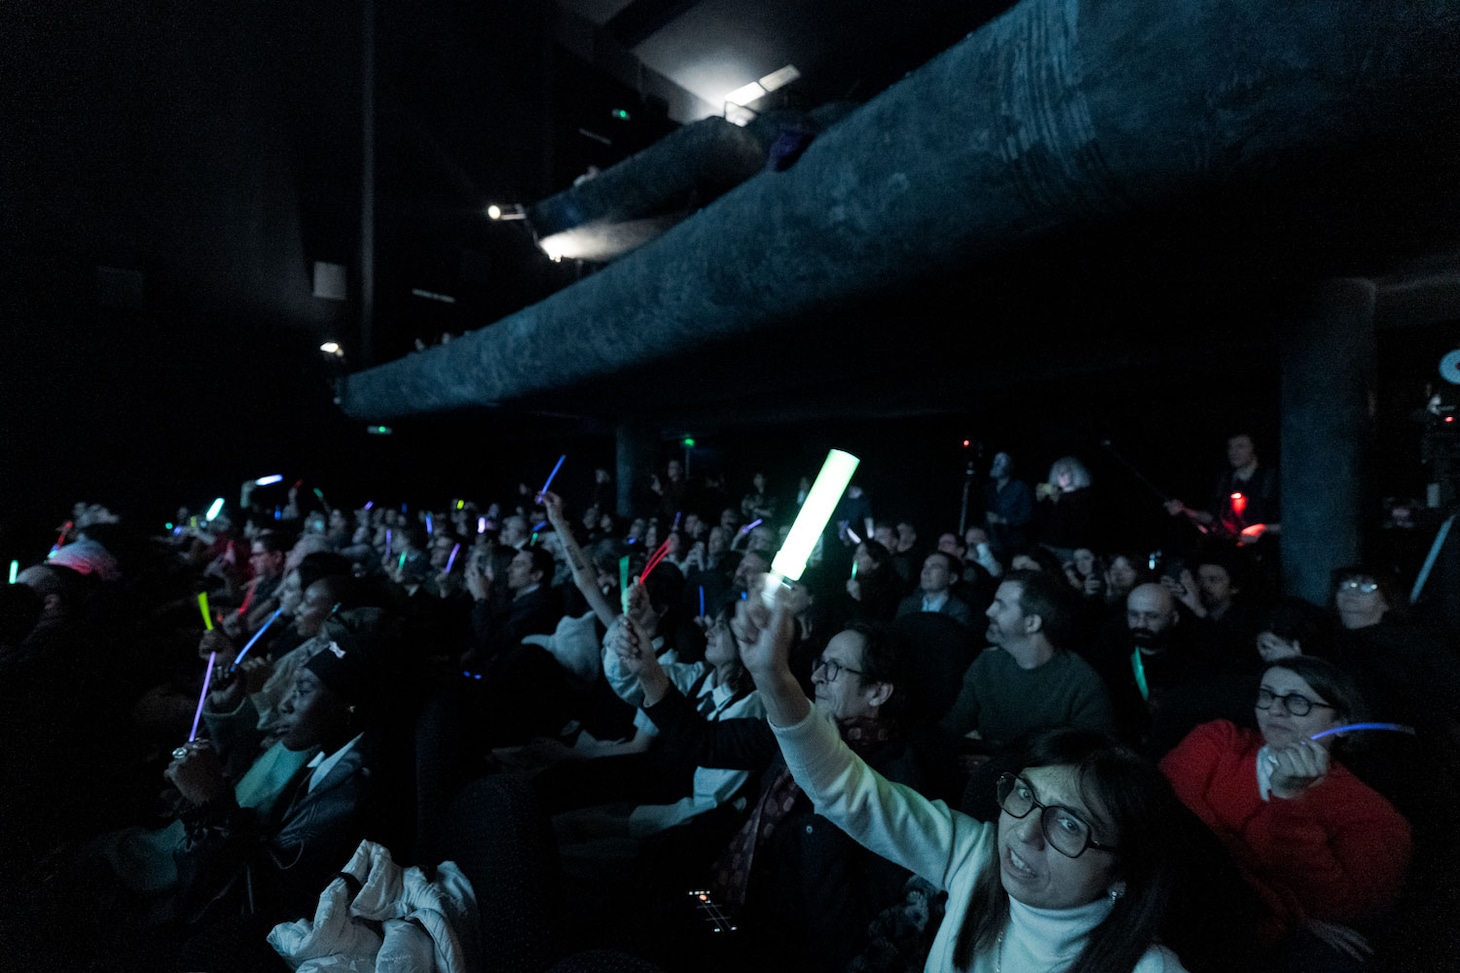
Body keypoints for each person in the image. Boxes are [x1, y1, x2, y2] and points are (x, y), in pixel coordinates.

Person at [737, 592, 1191, 972]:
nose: (1025, 834)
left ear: (1121, 871)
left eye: (1069, 824)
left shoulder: (1149, 968)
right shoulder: (977, 857)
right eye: (1025, 796)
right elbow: (844, 788)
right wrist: (772, 677)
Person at [1159, 657, 1411, 958]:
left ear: (1342, 723)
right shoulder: (1219, 740)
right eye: (1267, 695)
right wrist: (1281, 907)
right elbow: (1163, 814)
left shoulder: (1373, 817)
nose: (1275, 710)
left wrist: (1289, 799)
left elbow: (1342, 910)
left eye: (1297, 701)